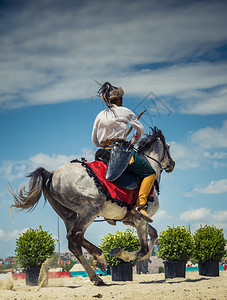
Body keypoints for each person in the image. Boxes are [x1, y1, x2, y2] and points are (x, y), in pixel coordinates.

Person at [92, 82, 156, 222]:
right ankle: (140, 206)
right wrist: (133, 141)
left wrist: (105, 144)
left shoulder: (100, 115)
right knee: (150, 173)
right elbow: (140, 130)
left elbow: (95, 141)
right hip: (121, 150)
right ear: (119, 99)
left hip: (103, 152)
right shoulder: (125, 111)